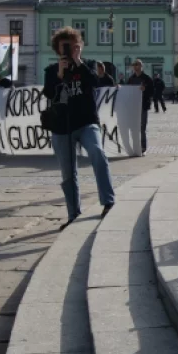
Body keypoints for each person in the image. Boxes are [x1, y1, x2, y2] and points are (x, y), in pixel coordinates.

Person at [42, 27, 115, 229]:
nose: (68, 50)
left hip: (86, 122)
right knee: (68, 173)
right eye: (64, 47)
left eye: (73, 46)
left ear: (79, 46)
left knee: (98, 153)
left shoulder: (88, 66)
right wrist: (59, 74)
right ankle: (73, 214)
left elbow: (94, 82)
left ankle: (108, 201)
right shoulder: (51, 71)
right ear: (57, 49)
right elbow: (49, 94)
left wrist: (79, 61)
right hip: (62, 127)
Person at [125, 59, 154, 155]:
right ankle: (135, 147)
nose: (135, 67)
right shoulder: (131, 79)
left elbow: (152, 92)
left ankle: (143, 147)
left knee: (142, 128)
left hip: (143, 106)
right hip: (133, 107)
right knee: (133, 128)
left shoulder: (147, 78)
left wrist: (145, 89)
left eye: (137, 65)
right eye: (134, 65)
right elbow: (127, 91)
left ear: (141, 66)